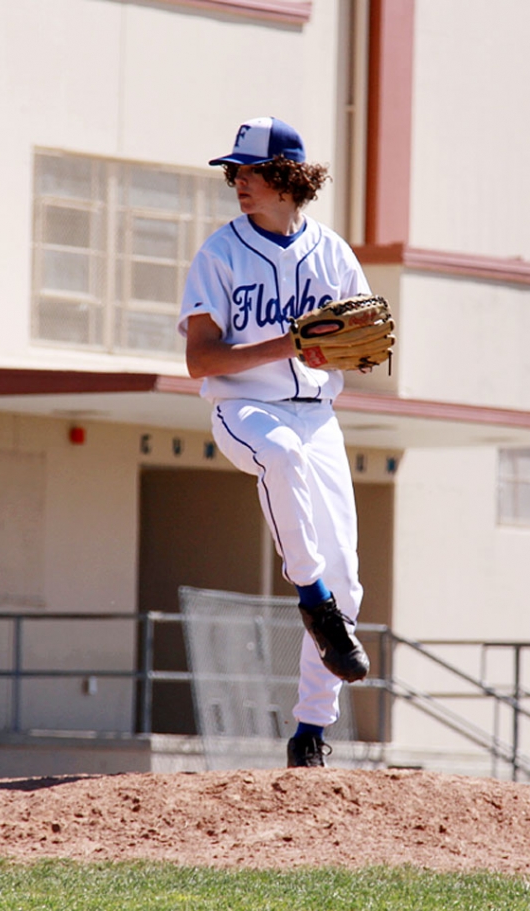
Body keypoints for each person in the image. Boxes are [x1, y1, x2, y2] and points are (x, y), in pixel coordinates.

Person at [177, 116, 373, 769]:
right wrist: (288, 343)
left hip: (318, 415)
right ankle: (309, 597)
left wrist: (362, 351)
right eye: (235, 171)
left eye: (252, 170)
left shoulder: (333, 253)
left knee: (347, 576)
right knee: (281, 458)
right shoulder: (220, 253)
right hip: (244, 407)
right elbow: (201, 360)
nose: (239, 182)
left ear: (288, 176)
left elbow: (362, 338)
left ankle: (311, 730)